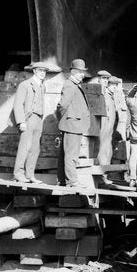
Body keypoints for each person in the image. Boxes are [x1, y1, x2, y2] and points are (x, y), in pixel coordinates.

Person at [12, 61, 60, 183]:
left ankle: (30, 175)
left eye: (44, 71)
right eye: (40, 70)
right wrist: (21, 121)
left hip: (38, 119)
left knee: (35, 148)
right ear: (34, 71)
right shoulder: (25, 85)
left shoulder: (42, 86)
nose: (42, 73)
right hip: (28, 119)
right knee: (25, 147)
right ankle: (18, 174)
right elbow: (18, 104)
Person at [57, 58, 92, 186]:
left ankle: (62, 180)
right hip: (72, 124)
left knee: (66, 154)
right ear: (74, 71)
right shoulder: (70, 85)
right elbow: (62, 105)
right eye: (80, 72)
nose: (83, 74)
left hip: (72, 124)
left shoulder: (73, 84)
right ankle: (71, 181)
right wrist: (65, 119)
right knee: (71, 155)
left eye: (83, 72)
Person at [95, 70, 117, 166]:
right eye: (103, 78)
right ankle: (101, 171)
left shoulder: (107, 93)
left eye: (107, 79)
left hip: (108, 126)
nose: (105, 81)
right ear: (99, 79)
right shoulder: (98, 91)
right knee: (102, 147)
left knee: (107, 148)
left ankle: (104, 172)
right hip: (103, 124)